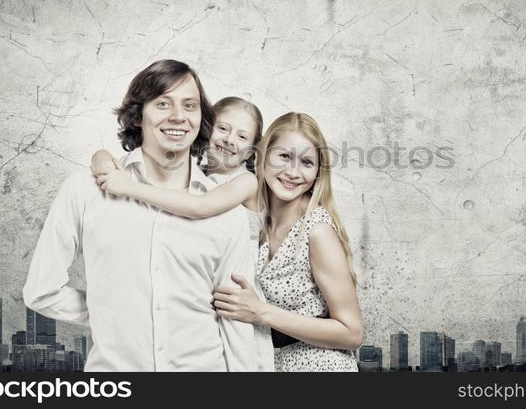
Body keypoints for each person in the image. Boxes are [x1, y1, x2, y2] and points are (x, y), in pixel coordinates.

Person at [22, 59, 257, 371]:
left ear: (202, 120)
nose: (178, 116)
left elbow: (235, 320)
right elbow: (42, 291)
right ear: (137, 116)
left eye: (190, 105)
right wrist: (114, 314)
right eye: (163, 103)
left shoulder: (227, 214)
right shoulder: (85, 190)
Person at [95, 111, 363, 371]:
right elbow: (192, 192)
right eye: (283, 157)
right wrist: (102, 158)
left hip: (321, 367)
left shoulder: (316, 231)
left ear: (318, 172)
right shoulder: (254, 214)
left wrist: (261, 313)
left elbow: (352, 333)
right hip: (270, 364)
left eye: (306, 163)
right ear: (262, 155)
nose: (293, 172)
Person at [91, 96, 275, 371]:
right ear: (206, 128)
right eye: (223, 129)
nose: (229, 140)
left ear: (250, 152)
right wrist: (101, 158)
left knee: (241, 361)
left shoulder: (246, 182)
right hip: (196, 289)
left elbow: (199, 207)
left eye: (242, 136)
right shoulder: (187, 173)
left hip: (234, 293)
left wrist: (127, 186)